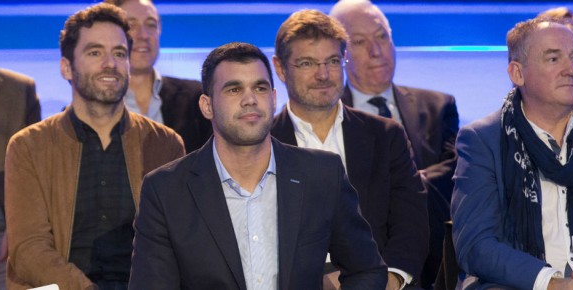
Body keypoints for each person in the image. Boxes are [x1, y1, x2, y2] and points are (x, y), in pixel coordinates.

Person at [128, 42, 387, 290]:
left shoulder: (321, 174)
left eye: (260, 88)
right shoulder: (166, 191)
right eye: (234, 89)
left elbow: (367, 270)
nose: (250, 99)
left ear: (274, 99)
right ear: (207, 106)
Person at [4, 4, 185, 289]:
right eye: (95, 52)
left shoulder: (165, 144)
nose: (110, 64)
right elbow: (29, 250)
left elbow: (174, 246)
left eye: (119, 53)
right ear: (66, 67)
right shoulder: (29, 146)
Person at [451, 18, 573, 290]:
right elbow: (476, 244)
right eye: (554, 59)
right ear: (517, 73)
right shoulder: (481, 140)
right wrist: (553, 284)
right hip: (520, 283)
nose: (571, 69)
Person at [270, 9, 429, 290]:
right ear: (280, 68)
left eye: (332, 61)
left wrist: (390, 280)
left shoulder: (385, 136)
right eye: (307, 63)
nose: (323, 74)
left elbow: (411, 224)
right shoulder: (263, 142)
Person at [329, 2, 459, 287]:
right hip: (355, 264)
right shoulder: (327, 119)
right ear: (341, 55)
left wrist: (402, 188)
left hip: (433, 259)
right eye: (360, 42)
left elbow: (455, 171)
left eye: (382, 37)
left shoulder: (438, 105)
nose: (376, 52)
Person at [105, 0, 213, 152]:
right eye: (131, 25)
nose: (143, 35)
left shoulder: (196, 98)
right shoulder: (90, 107)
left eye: (150, 25)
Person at [0, 66, 40, 290]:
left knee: (38, 283)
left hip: (0, 233)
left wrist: (21, 223)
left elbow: (37, 170)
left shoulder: (17, 89)